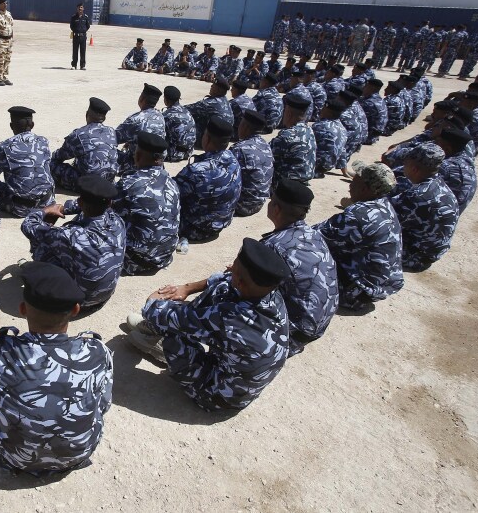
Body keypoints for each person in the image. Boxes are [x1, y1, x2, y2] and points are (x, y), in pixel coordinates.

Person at [0, 261, 112, 476]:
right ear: (75, 310)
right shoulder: (98, 351)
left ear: (23, 310)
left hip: (14, 457)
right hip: (78, 453)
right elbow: (104, 403)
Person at [125, 237, 290, 412]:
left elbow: (154, 308)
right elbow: (225, 279)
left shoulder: (229, 318)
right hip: (237, 378)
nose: (229, 268)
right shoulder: (271, 294)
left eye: (234, 267)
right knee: (221, 290)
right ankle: (157, 328)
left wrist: (154, 300)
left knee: (175, 327)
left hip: (216, 395)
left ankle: (156, 341)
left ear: (241, 282)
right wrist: (187, 288)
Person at [21, 174, 126, 310]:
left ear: (81, 202)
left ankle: (41, 276)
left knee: (44, 243)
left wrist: (45, 211)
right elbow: (84, 205)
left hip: (76, 303)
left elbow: (28, 226)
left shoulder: (70, 235)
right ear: (110, 203)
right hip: (102, 298)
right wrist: (62, 208)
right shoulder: (117, 220)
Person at [260, 179, 338, 356]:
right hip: (317, 326)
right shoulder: (313, 235)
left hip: (292, 332)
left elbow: (244, 283)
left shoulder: (275, 245)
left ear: (276, 209)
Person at [315, 162, 403, 312]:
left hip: (358, 291)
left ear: (365, 188)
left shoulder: (359, 214)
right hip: (381, 285)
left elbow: (314, 235)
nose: (351, 183)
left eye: (356, 179)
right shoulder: (385, 205)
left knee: (301, 255)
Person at [113, 132, 180, 275]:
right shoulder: (172, 182)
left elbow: (102, 206)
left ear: (138, 155)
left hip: (134, 261)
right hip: (164, 257)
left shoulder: (129, 183)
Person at [389, 143, 459, 272]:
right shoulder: (439, 184)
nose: (403, 166)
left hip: (414, 257)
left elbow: (384, 220)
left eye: (405, 163)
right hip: (428, 251)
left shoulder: (418, 197)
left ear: (414, 169)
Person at [176, 117, 241, 241]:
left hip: (193, 228)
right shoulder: (233, 159)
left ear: (207, 138)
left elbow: (171, 190)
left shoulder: (197, 170)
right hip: (219, 225)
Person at [0, 106, 55, 217]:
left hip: (21, 208)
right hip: (47, 203)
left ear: (11, 126)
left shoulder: (4, 147)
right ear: (32, 125)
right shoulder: (43, 142)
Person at [51, 97, 118, 191]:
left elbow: (59, 156)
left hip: (88, 186)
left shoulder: (79, 134)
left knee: (51, 164)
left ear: (87, 114)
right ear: (104, 118)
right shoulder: (111, 131)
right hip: (108, 183)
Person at [115, 83, 165, 173]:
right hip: (157, 164)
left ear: (142, 98)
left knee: (104, 149)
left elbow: (114, 138)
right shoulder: (160, 116)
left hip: (137, 164)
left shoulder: (136, 119)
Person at [269, 94, 316, 184]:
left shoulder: (288, 135)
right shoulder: (309, 130)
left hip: (285, 185)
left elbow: (267, 153)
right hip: (303, 182)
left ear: (289, 113)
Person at [434, 126, 477, 215]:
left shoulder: (445, 166)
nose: (433, 146)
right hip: (452, 214)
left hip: (438, 216)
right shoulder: (466, 160)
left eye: (436, 143)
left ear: (447, 149)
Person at [186, 76, 234, 147]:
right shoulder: (225, 101)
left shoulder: (211, 103)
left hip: (210, 141)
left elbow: (185, 110)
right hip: (223, 141)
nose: (211, 86)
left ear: (218, 90)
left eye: (213, 85)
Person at [312, 101, 348, 177]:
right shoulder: (342, 129)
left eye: (323, 108)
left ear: (328, 112)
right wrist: (345, 172)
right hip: (326, 167)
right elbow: (343, 151)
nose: (321, 110)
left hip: (314, 167)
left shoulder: (320, 126)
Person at [161, 85, 196, 162]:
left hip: (174, 154)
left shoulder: (167, 115)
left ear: (166, 99)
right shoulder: (186, 111)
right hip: (189, 152)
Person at [70, 2, 91, 70]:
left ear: (83, 8)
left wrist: (83, 31)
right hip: (76, 36)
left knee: (83, 51)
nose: (80, 9)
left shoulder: (86, 17)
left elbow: (88, 26)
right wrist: (76, 31)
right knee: (75, 51)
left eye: (81, 7)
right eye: (79, 7)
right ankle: (74, 65)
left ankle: (82, 65)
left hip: (83, 37)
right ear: (77, 9)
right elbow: (71, 26)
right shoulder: (74, 17)